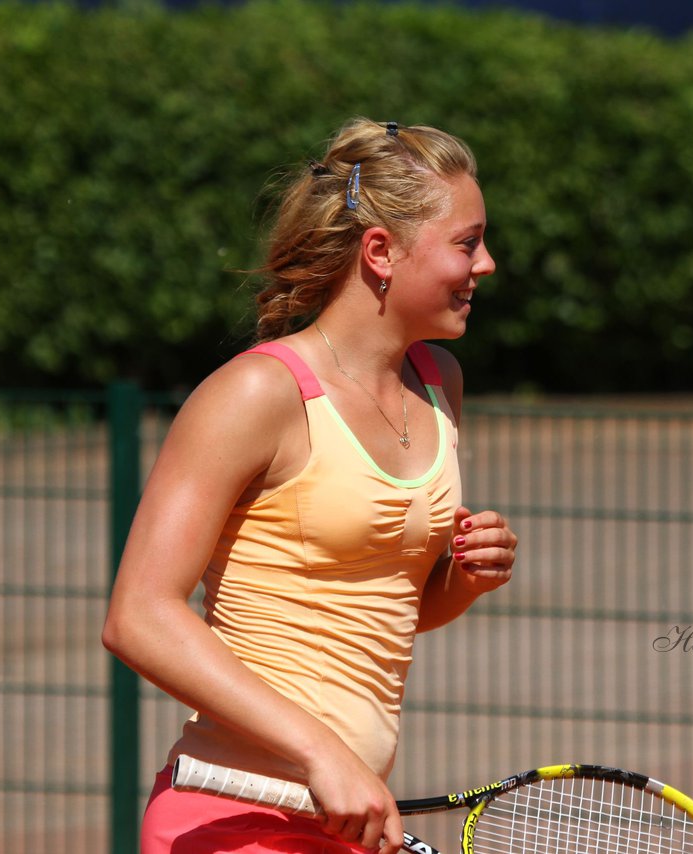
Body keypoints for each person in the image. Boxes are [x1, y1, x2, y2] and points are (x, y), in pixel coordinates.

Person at [102, 117, 517, 854]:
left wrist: (465, 578)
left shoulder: (438, 384)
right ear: (382, 252)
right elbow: (138, 616)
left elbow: (381, 611)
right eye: (466, 242)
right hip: (232, 819)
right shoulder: (257, 393)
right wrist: (320, 752)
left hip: (348, 820)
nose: (486, 264)